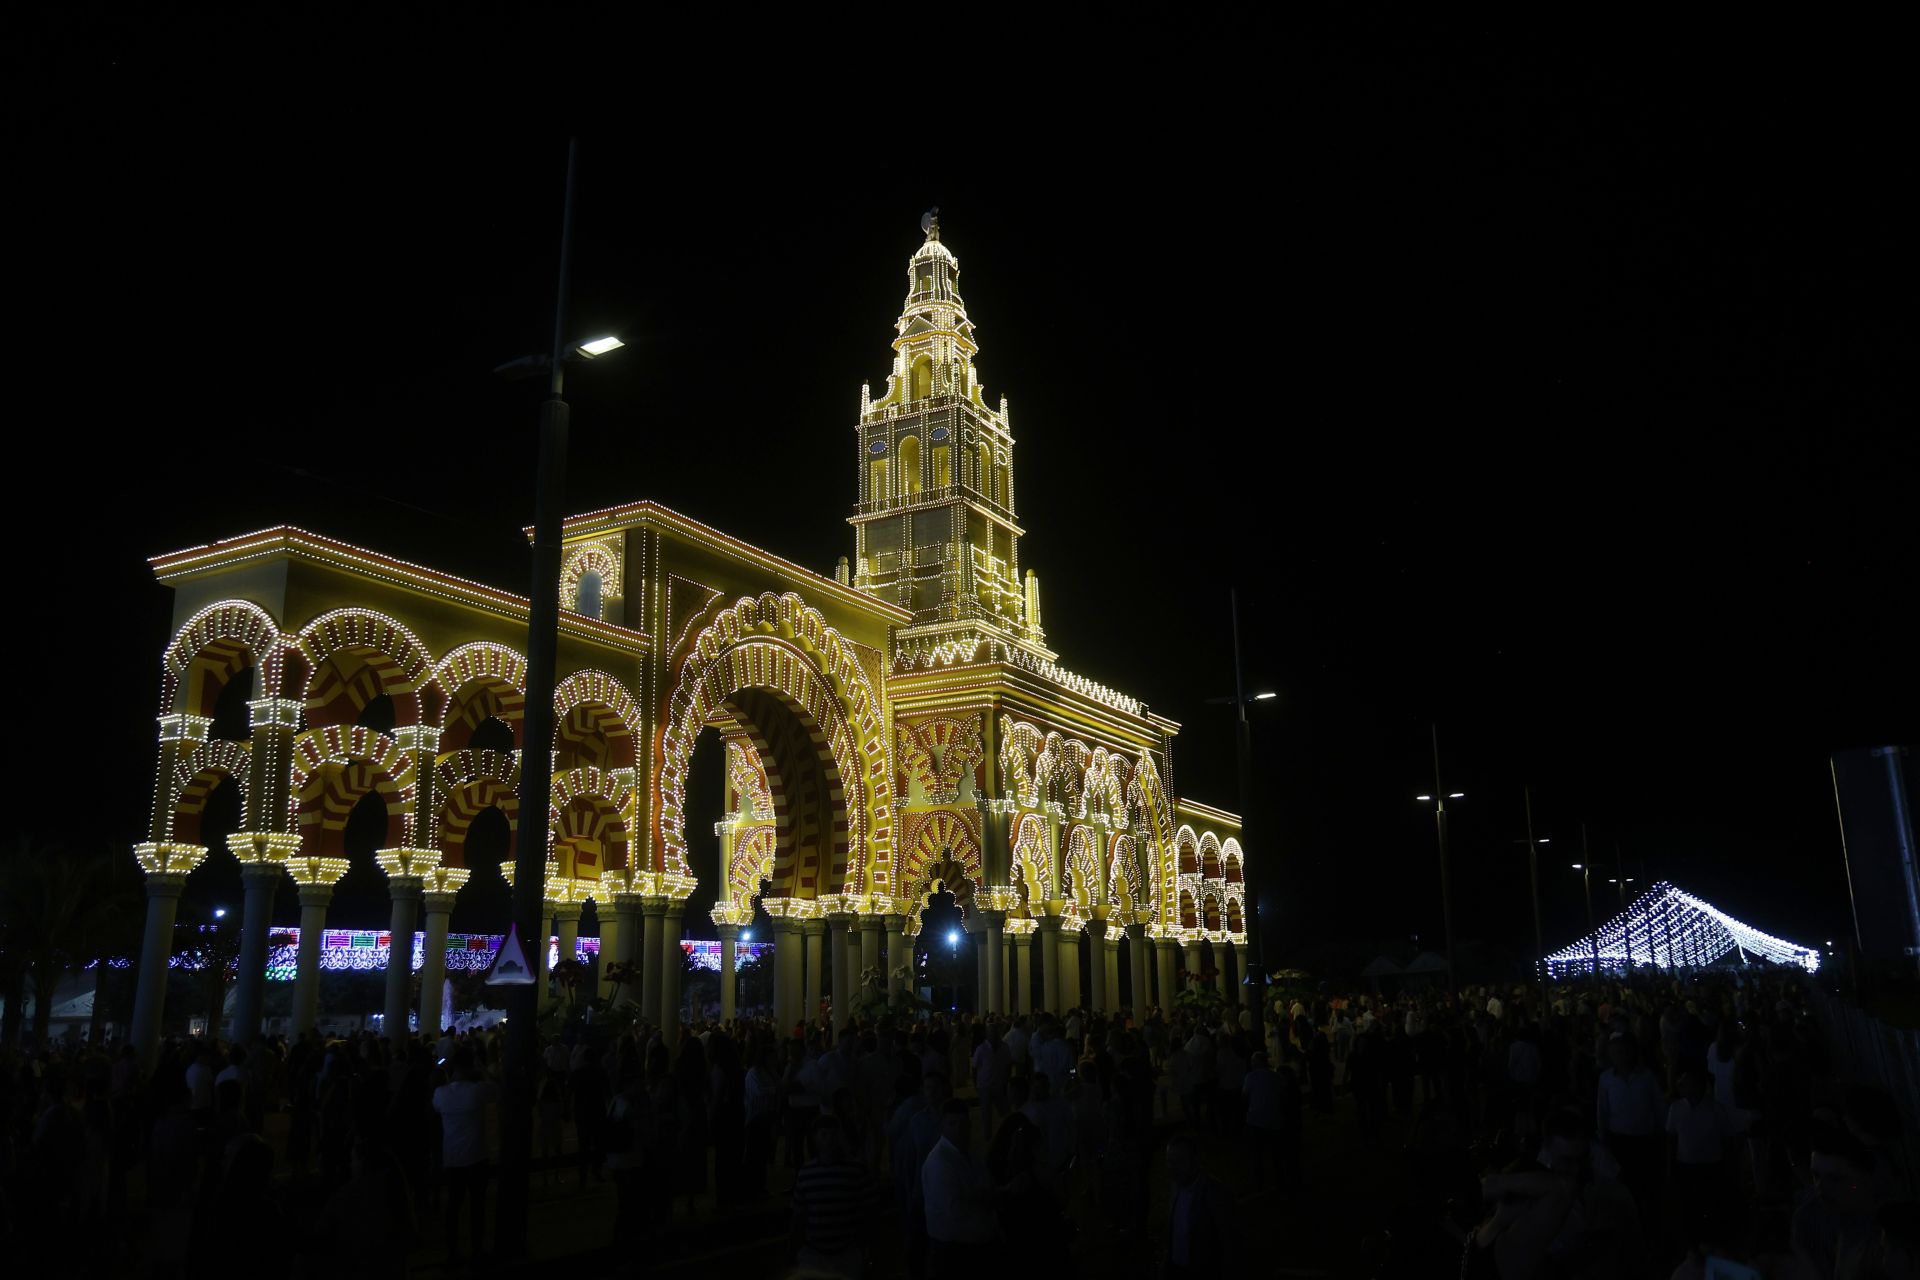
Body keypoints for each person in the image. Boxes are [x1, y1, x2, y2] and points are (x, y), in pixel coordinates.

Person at [921, 1097, 999, 1277]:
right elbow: (956, 1211)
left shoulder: (969, 1155)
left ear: (970, 1125)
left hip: (968, 1248)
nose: (958, 1129)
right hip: (954, 1252)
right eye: (952, 1124)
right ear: (942, 1125)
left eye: (962, 1123)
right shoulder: (940, 1162)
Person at [432, 1048, 496, 1263]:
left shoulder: (441, 1093)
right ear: (471, 1066)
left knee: (453, 1206)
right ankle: (477, 1249)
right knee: (477, 1205)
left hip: (452, 1157)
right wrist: (482, 1068)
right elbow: (497, 1089)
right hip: (477, 1155)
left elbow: (436, 1107)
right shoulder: (477, 1091)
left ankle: (452, 1252)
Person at [790, 1115, 871, 1278]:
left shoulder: (808, 1172)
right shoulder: (807, 1172)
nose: (829, 1140)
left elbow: (798, 1214)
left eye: (833, 1135)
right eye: (824, 1135)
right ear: (816, 1138)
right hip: (825, 1251)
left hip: (839, 1251)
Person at [1163, 1131, 1236, 1277]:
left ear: (1195, 1160)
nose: (1173, 1168)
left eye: (1180, 1161)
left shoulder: (1214, 1193)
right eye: (1170, 1161)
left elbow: (1228, 1242)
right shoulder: (1176, 1187)